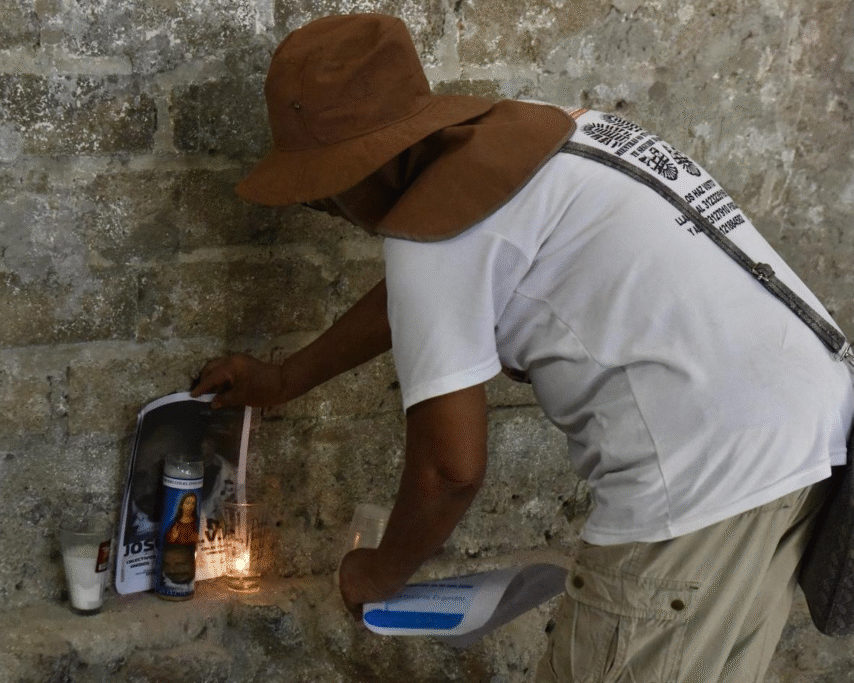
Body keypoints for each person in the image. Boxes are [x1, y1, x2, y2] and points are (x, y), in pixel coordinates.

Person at [190, 13, 854, 683]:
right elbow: (430, 291)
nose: (327, 211)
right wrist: (286, 378)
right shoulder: (547, 133)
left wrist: (380, 571)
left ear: (364, 167)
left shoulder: (430, 240)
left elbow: (449, 472)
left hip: (702, 480)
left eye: (320, 192)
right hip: (805, 434)